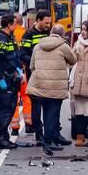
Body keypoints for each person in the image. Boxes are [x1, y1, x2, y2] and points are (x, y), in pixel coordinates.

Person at [28, 24, 77, 149]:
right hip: (55, 86)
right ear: (62, 34)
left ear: (50, 32)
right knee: (52, 115)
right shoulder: (64, 46)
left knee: (44, 113)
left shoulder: (37, 46)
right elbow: (73, 60)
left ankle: (44, 137)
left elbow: (32, 66)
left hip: (38, 85)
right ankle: (48, 142)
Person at [15, 10, 53, 139]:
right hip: (35, 75)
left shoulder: (49, 32)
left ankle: (51, 133)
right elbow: (22, 54)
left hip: (48, 75)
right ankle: (39, 134)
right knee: (36, 106)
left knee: (49, 105)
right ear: (39, 20)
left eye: (50, 22)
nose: (49, 25)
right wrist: (37, 62)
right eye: (46, 22)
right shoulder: (28, 35)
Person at [0, 14, 22, 150]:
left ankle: (4, 138)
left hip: (11, 76)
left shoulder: (10, 38)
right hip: (4, 78)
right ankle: (2, 139)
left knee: (9, 107)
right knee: (4, 109)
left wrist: (17, 70)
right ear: (9, 25)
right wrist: (1, 79)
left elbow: (12, 57)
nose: (16, 26)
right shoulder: (0, 39)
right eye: (15, 24)